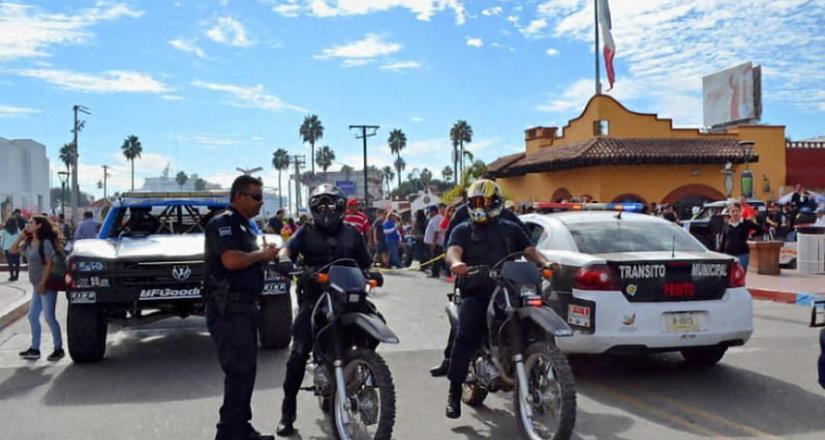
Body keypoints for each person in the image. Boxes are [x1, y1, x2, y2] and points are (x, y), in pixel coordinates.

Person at [442, 179, 551, 419]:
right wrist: (457, 263)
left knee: (532, 324)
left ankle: (533, 379)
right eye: (475, 202)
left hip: (508, 290)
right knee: (466, 334)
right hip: (477, 292)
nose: (479, 206)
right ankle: (454, 389)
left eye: (484, 201)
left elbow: (529, 250)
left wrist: (545, 263)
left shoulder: (509, 227)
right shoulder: (463, 229)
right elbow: (453, 250)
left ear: (496, 202)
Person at [275, 184, 372, 436]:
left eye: (332, 205)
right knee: (298, 352)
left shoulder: (352, 233)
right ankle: (287, 411)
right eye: (321, 206)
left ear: (341, 207)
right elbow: (288, 249)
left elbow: (366, 262)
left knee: (375, 326)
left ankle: (360, 367)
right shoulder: (305, 232)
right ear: (314, 209)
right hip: (316, 296)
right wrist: (285, 259)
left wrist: (373, 272)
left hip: (348, 296)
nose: (327, 210)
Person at [203, 175, 279, 440]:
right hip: (228, 309)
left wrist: (263, 257)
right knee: (238, 372)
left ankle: (239, 427)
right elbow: (231, 261)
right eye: (256, 197)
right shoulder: (222, 224)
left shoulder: (247, 227)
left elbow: (247, 261)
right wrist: (261, 255)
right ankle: (228, 433)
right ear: (238, 196)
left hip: (245, 307)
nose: (261, 202)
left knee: (245, 372)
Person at [9, 215, 65, 361]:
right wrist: (21, 237)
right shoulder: (29, 242)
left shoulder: (45, 242)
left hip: (45, 284)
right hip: (36, 285)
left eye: (31, 222)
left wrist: (42, 283)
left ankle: (58, 348)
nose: (28, 224)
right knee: (32, 316)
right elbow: (12, 250)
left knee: (49, 317)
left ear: (39, 225)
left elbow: (49, 264)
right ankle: (35, 349)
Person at [718, 202, 761, 272]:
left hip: (742, 254)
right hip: (728, 255)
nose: (735, 213)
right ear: (730, 213)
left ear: (740, 211)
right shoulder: (727, 225)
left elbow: (760, 230)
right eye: (733, 211)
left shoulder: (746, 223)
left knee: (740, 275)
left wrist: (751, 236)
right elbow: (723, 240)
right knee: (728, 276)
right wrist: (719, 255)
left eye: (737, 211)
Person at [423, 205, 445, 278]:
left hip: (436, 242)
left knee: (435, 257)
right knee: (434, 257)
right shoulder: (435, 218)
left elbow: (436, 231)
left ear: (434, 211)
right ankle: (434, 272)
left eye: (430, 211)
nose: (429, 213)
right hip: (434, 242)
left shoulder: (437, 219)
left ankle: (435, 273)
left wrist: (434, 242)